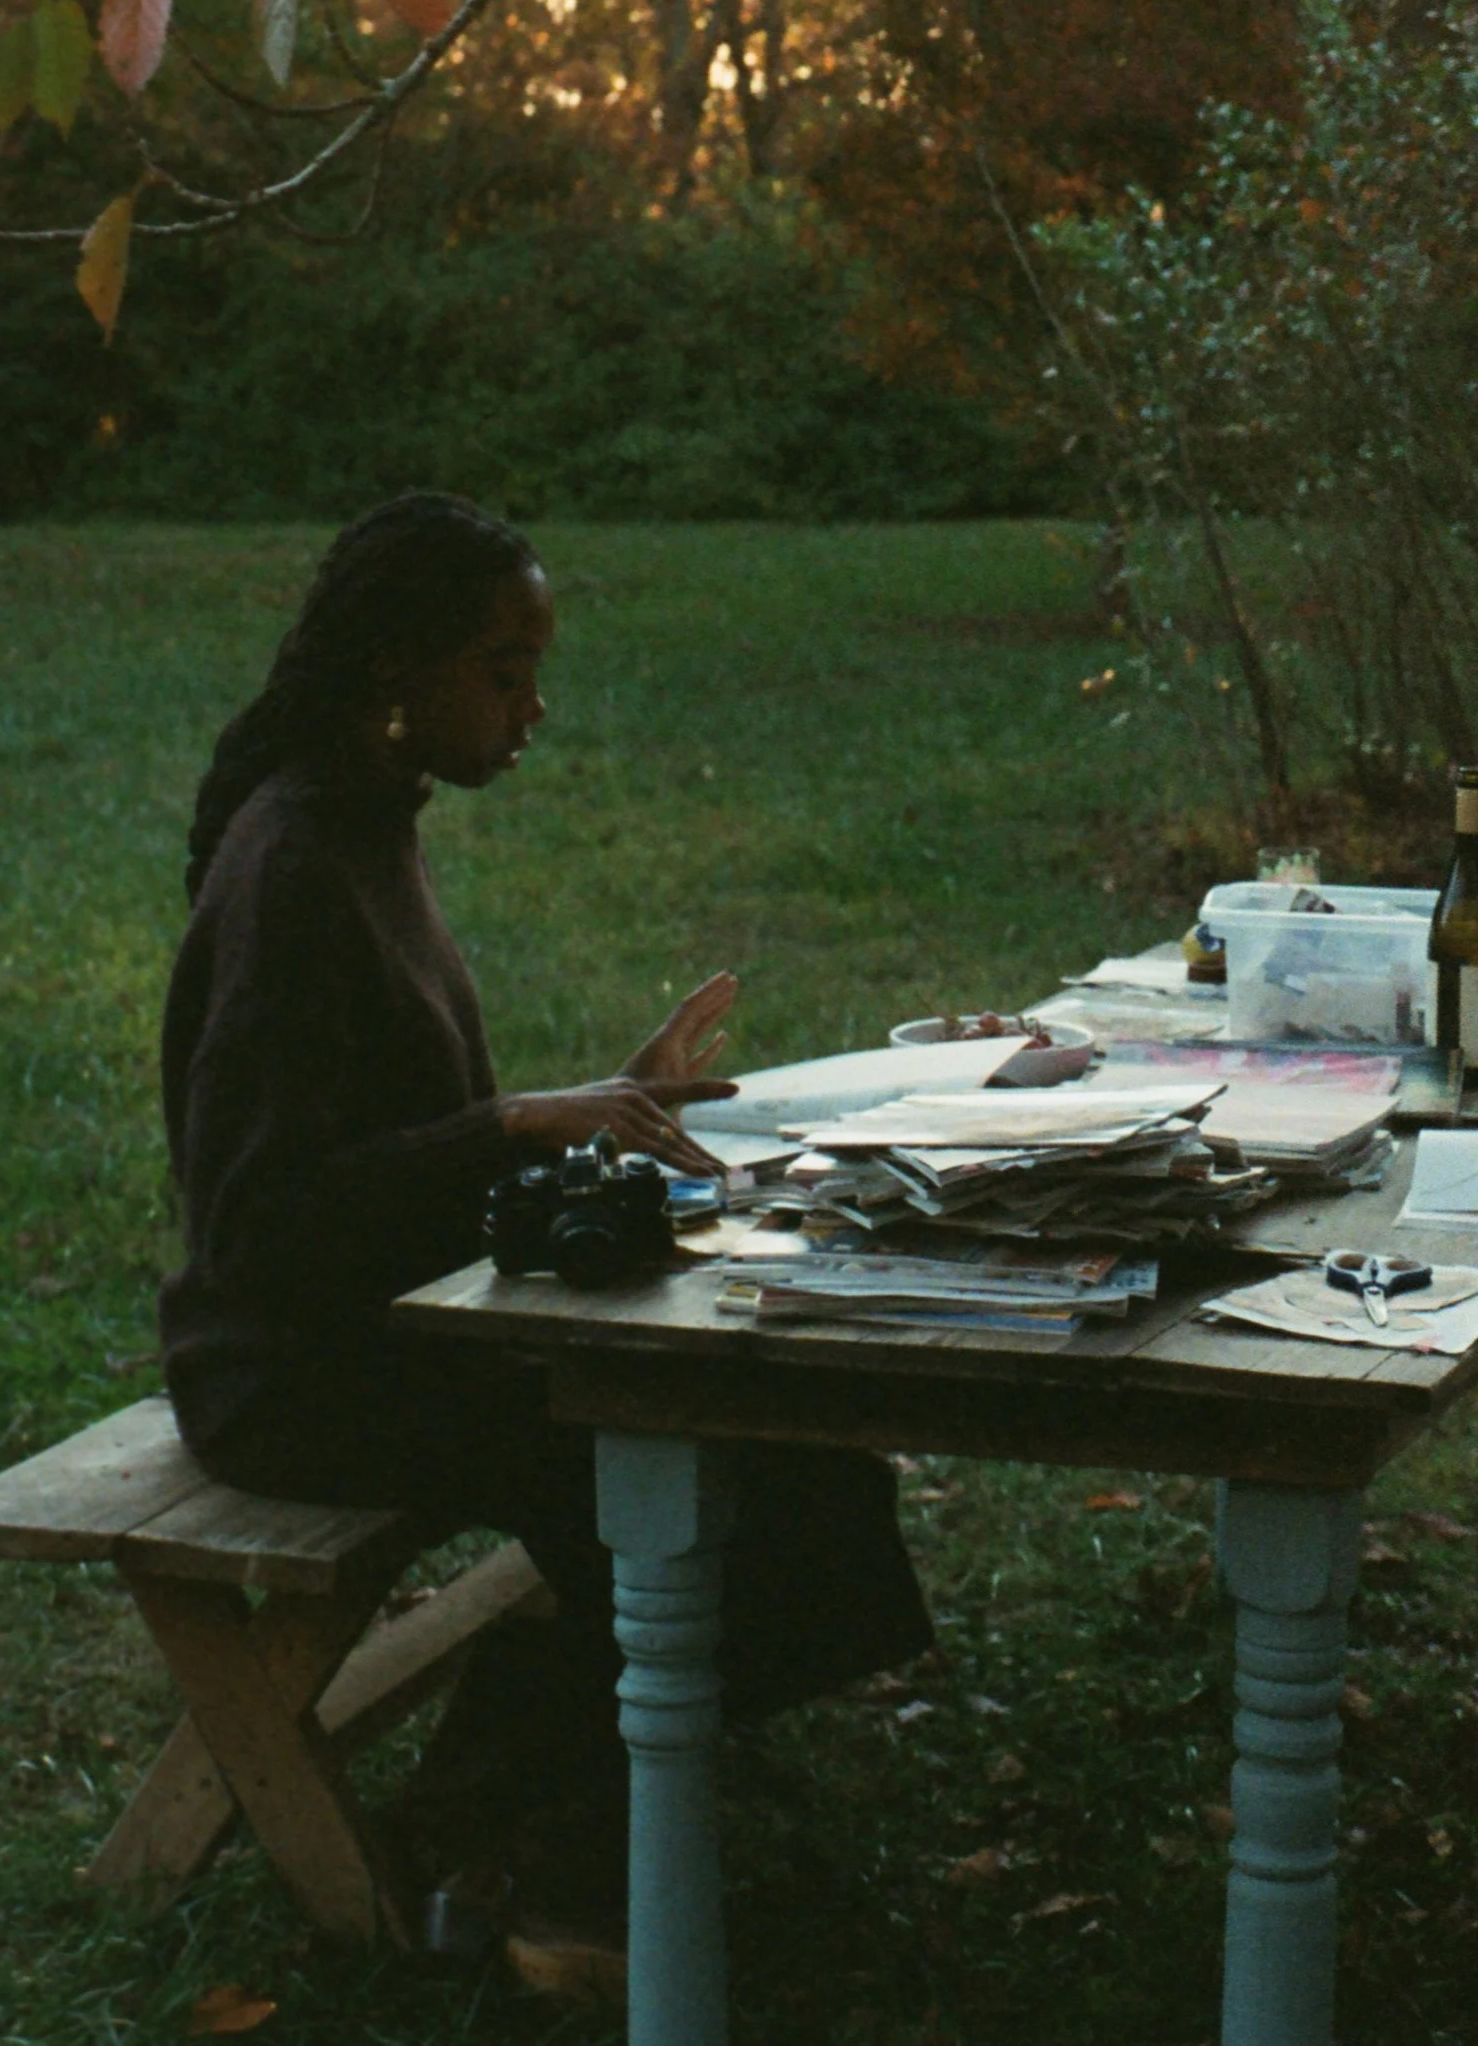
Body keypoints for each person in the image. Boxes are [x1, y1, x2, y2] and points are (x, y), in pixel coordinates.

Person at [159, 490, 930, 1941]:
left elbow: (386, 1135)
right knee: (740, 1500)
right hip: (296, 1375)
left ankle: (536, 1773)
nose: (533, 706)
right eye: (503, 669)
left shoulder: (369, 816)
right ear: (400, 670)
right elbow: (258, 1225)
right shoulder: (294, 863)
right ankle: (508, 1815)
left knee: (805, 1472)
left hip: (410, 1327)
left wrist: (599, 1105)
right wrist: (515, 1122)